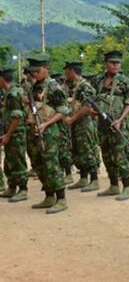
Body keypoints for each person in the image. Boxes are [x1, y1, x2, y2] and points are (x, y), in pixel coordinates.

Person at [25, 54, 70, 214]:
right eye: (32, 72)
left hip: (49, 131)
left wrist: (46, 124)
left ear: (46, 68)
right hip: (34, 130)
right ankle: (49, 196)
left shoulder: (53, 87)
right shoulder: (34, 87)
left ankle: (61, 198)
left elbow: (63, 110)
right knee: (38, 164)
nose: (34, 74)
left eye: (37, 71)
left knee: (51, 164)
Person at [92, 50, 129, 201]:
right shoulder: (97, 80)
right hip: (103, 124)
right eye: (112, 63)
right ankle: (113, 185)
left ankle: (127, 187)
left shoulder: (125, 81)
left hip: (117, 125)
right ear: (106, 64)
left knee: (120, 155)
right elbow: (93, 100)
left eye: (118, 63)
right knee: (107, 155)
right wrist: (93, 111)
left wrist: (120, 119)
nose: (115, 65)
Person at [63, 61, 101, 192]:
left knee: (87, 151)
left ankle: (94, 179)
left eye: (67, 71)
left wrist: (72, 118)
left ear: (72, 71)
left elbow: (87, 107)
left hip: (84, 124)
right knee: (78, 152)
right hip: (75, 124)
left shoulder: (85, 86)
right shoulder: (74, 86)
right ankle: (83, 178)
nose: (65, 74)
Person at [0, 65, 29, 202]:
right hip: (10, 132)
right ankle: (12, 187)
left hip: (16, 133)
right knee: (10, 160)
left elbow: (17, 117)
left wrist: (8, 134)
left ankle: (23, 189)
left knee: (18, 160)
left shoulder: (13, 94)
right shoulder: (9, 92)